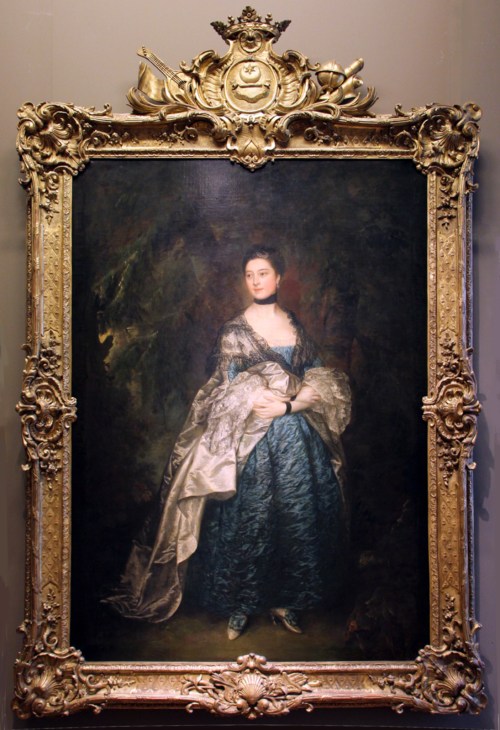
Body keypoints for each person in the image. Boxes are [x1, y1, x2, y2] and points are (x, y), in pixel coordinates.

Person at [104, 246, 351, 640]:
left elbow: (317, 378)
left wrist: (288, 405)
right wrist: (251, 395)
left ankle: (285, 601)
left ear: (278, 277)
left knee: (295, 515)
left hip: (295, 438)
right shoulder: (234, 329)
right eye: (250, 274)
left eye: (263, 273)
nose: (256, 281)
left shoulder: (294, 325)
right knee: (246, 518)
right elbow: (222, 386)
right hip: (247, 439)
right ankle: (241, 604)